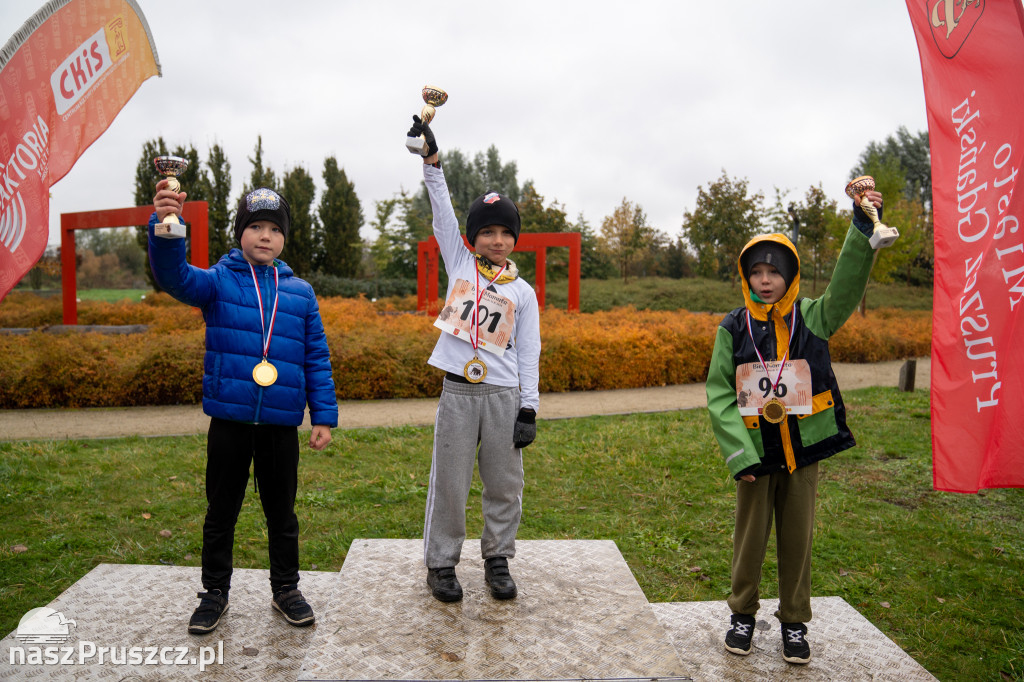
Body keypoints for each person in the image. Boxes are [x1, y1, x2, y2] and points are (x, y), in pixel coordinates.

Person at [148, 182, 338, 634]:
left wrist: (324, 415)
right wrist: (165, 225)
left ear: (285, 238)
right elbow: (175, 277)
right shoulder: (216, 282)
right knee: (221, 512)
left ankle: (286, 588)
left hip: (280, 425)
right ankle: (214, 592)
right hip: (229, 422)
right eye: (255, 226)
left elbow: (316, 356)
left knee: (282, 513)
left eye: (274, 228)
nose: (265, 236)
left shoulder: (301, 294)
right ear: (240, 233)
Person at [705, 187, 884, 664]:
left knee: (797, 538)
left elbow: (846, 285)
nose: (765, 281)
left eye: (774, 272)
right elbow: (719, 392)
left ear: (790, 277)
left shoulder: (814, 318)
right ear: (747, 278)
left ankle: (794, 623)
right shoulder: (733, 327)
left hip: (803, 450)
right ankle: (742, 613)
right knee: (749, 536)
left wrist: (862, 228)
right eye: (757, 273)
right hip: (755, 454)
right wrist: (738, 453)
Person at [407, 115, 541, 603]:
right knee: (451, 483)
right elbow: (441, 210)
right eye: (488, 232)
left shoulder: (523, 292)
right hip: (460, 393)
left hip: (504, 396)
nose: (497, 240)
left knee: (505, 483)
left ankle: (498, 558)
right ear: (474, 237)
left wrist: (530, 407)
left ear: (514, 240)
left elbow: (529, 352)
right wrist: (432, 163)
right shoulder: (460, 265)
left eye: (506, 233)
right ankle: (442, 563)